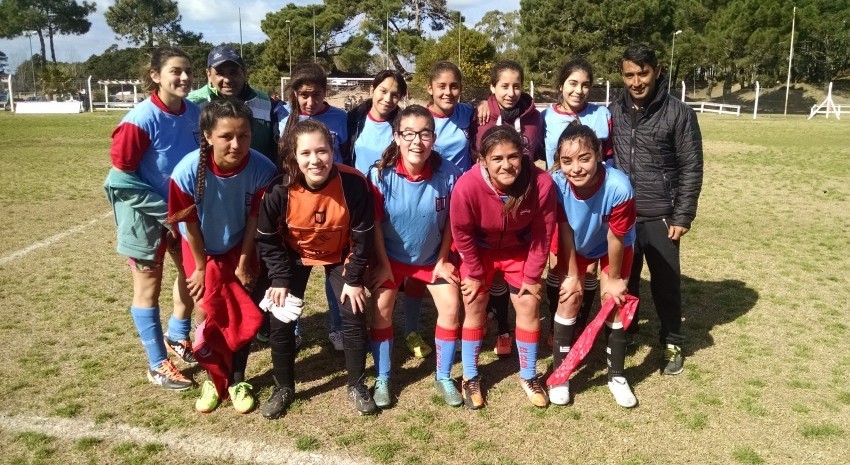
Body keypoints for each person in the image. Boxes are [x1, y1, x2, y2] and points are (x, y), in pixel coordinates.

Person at [256, 119, 377, 418]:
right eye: (306, 153)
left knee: (353, 311)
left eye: (321, 151)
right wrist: (280, 278)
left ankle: (356, 384)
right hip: (294, 257)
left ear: (333, 150)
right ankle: (284, 386)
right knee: (280, 317)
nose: (315, 160)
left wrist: (354, 277)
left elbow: (363, 235)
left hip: (340, 255)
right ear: (294, 156)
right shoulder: (279, 189)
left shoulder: (353, 183)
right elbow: (267, 238)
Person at [168, 99, 276, 413]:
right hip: (200, 248)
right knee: (207, 311)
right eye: (227, 136)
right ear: (207, 136)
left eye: (243, 135)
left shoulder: (262, 169)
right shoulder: (186, 172)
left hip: (240, 247)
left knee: (240, 314)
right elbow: (189, 224)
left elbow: (255, 221)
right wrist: (200, 267)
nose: (236, 143)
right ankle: (213, 380)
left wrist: (243, 264)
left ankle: (238, 379)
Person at [104, 46, 200, 391]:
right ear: (155, 76)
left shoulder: (195, 112)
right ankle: (158, 364)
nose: (184, 77)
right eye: (176, 71)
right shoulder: (139, 121)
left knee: (192, 276)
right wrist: (168, 213)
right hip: (145, 219)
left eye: (188, 70)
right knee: (148, 288)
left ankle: (178, 335)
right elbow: (119, 180)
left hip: (183, 215)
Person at [609, 43, 703, 375]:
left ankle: (673, 340)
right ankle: (628, 331)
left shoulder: (679, 113)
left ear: (657, 70)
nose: (636, 82)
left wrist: (683, 215)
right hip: (623, 217)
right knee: (625, 281)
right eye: (629, 75)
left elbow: (691, 167)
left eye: (643, 73)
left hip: (662, 215)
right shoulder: (614, 110)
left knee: (665, 284)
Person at [450, 125, 557, 409]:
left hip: (519, 250)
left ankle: (529, 374)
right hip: (480, 251)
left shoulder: (541, 182)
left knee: (529, 303)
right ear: (482, 160)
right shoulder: (467, 185)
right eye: (497, 158)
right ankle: (470, 375)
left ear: (523, 157)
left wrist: (533, 277)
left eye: (513, 157)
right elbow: (461, 233)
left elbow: (543, 234)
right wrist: (473, 273)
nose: (506, 165)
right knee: (474, 302)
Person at [366, 105, 462, 408]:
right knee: (380, 307)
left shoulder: (449, 173)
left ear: (433, 138)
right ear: (396, 137)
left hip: (432, 258)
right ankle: (383, 376)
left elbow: (452, 223)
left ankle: (443, 375)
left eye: (424, 133)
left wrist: (443, 259)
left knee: (451, 304)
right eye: (408, 133)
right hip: (391, 258)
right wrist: (382, 265)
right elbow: (376, 227)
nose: (416, 141)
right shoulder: (379, 174)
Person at [548, 122, 638, 408]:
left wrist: (611, 278)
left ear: (599, 154)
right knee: (570, 296)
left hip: (614, 246)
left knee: (614, 300)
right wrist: (573, 275)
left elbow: (616, 236)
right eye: (566, 161)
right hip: (575, 243)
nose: (575, 168)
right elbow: (564, 229)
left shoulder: (619, 186)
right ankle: (561, 375)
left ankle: (617, 376)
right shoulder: (557, 184)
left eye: (583, 158)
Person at [542, 57, 615, 349]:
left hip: (594, 200)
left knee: (589, 269)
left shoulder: (602, 115)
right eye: (573, 83)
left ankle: (580, 326)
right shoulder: (546, 117)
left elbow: (609, 157)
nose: (579, 90)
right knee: (559, 266)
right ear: (561, 86)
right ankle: (556, 322)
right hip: (561, 200)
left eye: (586, 85)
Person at [474, 60, 544, 357]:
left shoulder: (535, 118)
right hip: (486, 203)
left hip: (521, 206)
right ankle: (502, 327)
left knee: (515, 272)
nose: (511, 92)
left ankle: (516, 328)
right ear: (493, 87)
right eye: (504, 86)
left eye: (516, 85)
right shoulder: (480, 116)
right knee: (494, 275)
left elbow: (539, 157)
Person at [278, 63, 349, 350]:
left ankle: (339, 328)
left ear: (325, 92)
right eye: (304, 95)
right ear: (294, 93)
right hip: (299, 205)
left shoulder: (342, 118)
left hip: (334, 202)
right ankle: (293, 327)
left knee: (335, 269)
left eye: (316, 94)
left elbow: (349, 155)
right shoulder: (283, 119)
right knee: (296, 270)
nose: (310, 101)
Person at [188, 44, 277, 164]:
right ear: (209, 74)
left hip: (257, 179)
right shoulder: (192, 104)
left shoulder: (266, 102)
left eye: (233, 72)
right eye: (220, 73)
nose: (227, 79)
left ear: (245, 73)